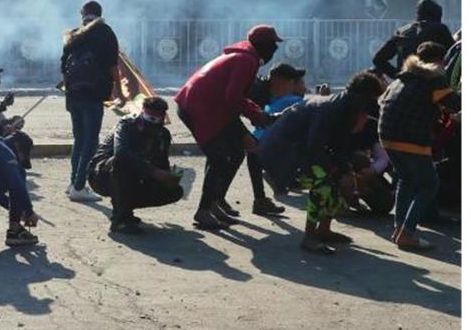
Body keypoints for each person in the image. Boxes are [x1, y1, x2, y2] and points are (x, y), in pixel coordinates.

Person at [256, 71, 385, 254]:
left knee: (341, 180)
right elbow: (313, 147)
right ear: (362, 96)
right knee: (324, 184)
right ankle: (309, 236)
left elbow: (341, 148)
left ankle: (324, 230)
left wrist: (346, 172)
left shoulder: (347, 109)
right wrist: (336, 172)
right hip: (281, 154)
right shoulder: (330, 110)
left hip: (301, 152)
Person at [175, 24, 278, 230]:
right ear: (265, 46)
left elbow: (235, 96)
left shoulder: (244, 56)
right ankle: (203, 210)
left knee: (237, 152)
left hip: (211, 107)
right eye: (273, 45)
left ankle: (215, 202)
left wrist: (256, 113)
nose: (274, 49)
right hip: (198, 106)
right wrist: (257, 115)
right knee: (219, 157)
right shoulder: (246, 59)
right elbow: (233, 96)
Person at [378, 41, 461, 251]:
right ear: (439, 61)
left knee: (406, 180)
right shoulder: (432, 79)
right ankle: (407, 233)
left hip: (387, 136)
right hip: (411, 138)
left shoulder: (403, 77)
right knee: (429, 184)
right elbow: (456, 103)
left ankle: (399, 230)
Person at [87, 96, 184, 234]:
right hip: (101, 175)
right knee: (122, 163)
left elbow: (162, 164)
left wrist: (168, 177)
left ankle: (125, 209)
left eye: (158, 119)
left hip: (136, 177)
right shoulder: (126, 126)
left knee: (174, 191)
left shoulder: (163, 135)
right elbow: (121, 155)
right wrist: (153, 171)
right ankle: (120, 219)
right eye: (149, 118)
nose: (153, 123)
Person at [61, 0, 121, 203]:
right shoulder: (104, 32)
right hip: (93, 94)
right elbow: (113, 67)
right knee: (90, 141)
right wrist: (119, 91)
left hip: (73, 94)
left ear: (83, 15)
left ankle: (72, 183)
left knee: (79, 139)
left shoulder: (75, 34)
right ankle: (79, 186)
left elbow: (63, 66)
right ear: (100, 14)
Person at [245, 63, 308, 213]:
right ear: (279, 82)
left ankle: (262, 198)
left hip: (258, 138)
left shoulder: (269, 94)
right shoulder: (261, 91)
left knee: (248, 153)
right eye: (291, 82)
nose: (292, 86)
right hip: (264, 142)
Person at [372, 0, 455, 79]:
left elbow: (378, 59)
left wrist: (398, 75)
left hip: (404, 86)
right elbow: (456, 55)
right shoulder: (440, 29)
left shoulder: (401, 31)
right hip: (430, 84)